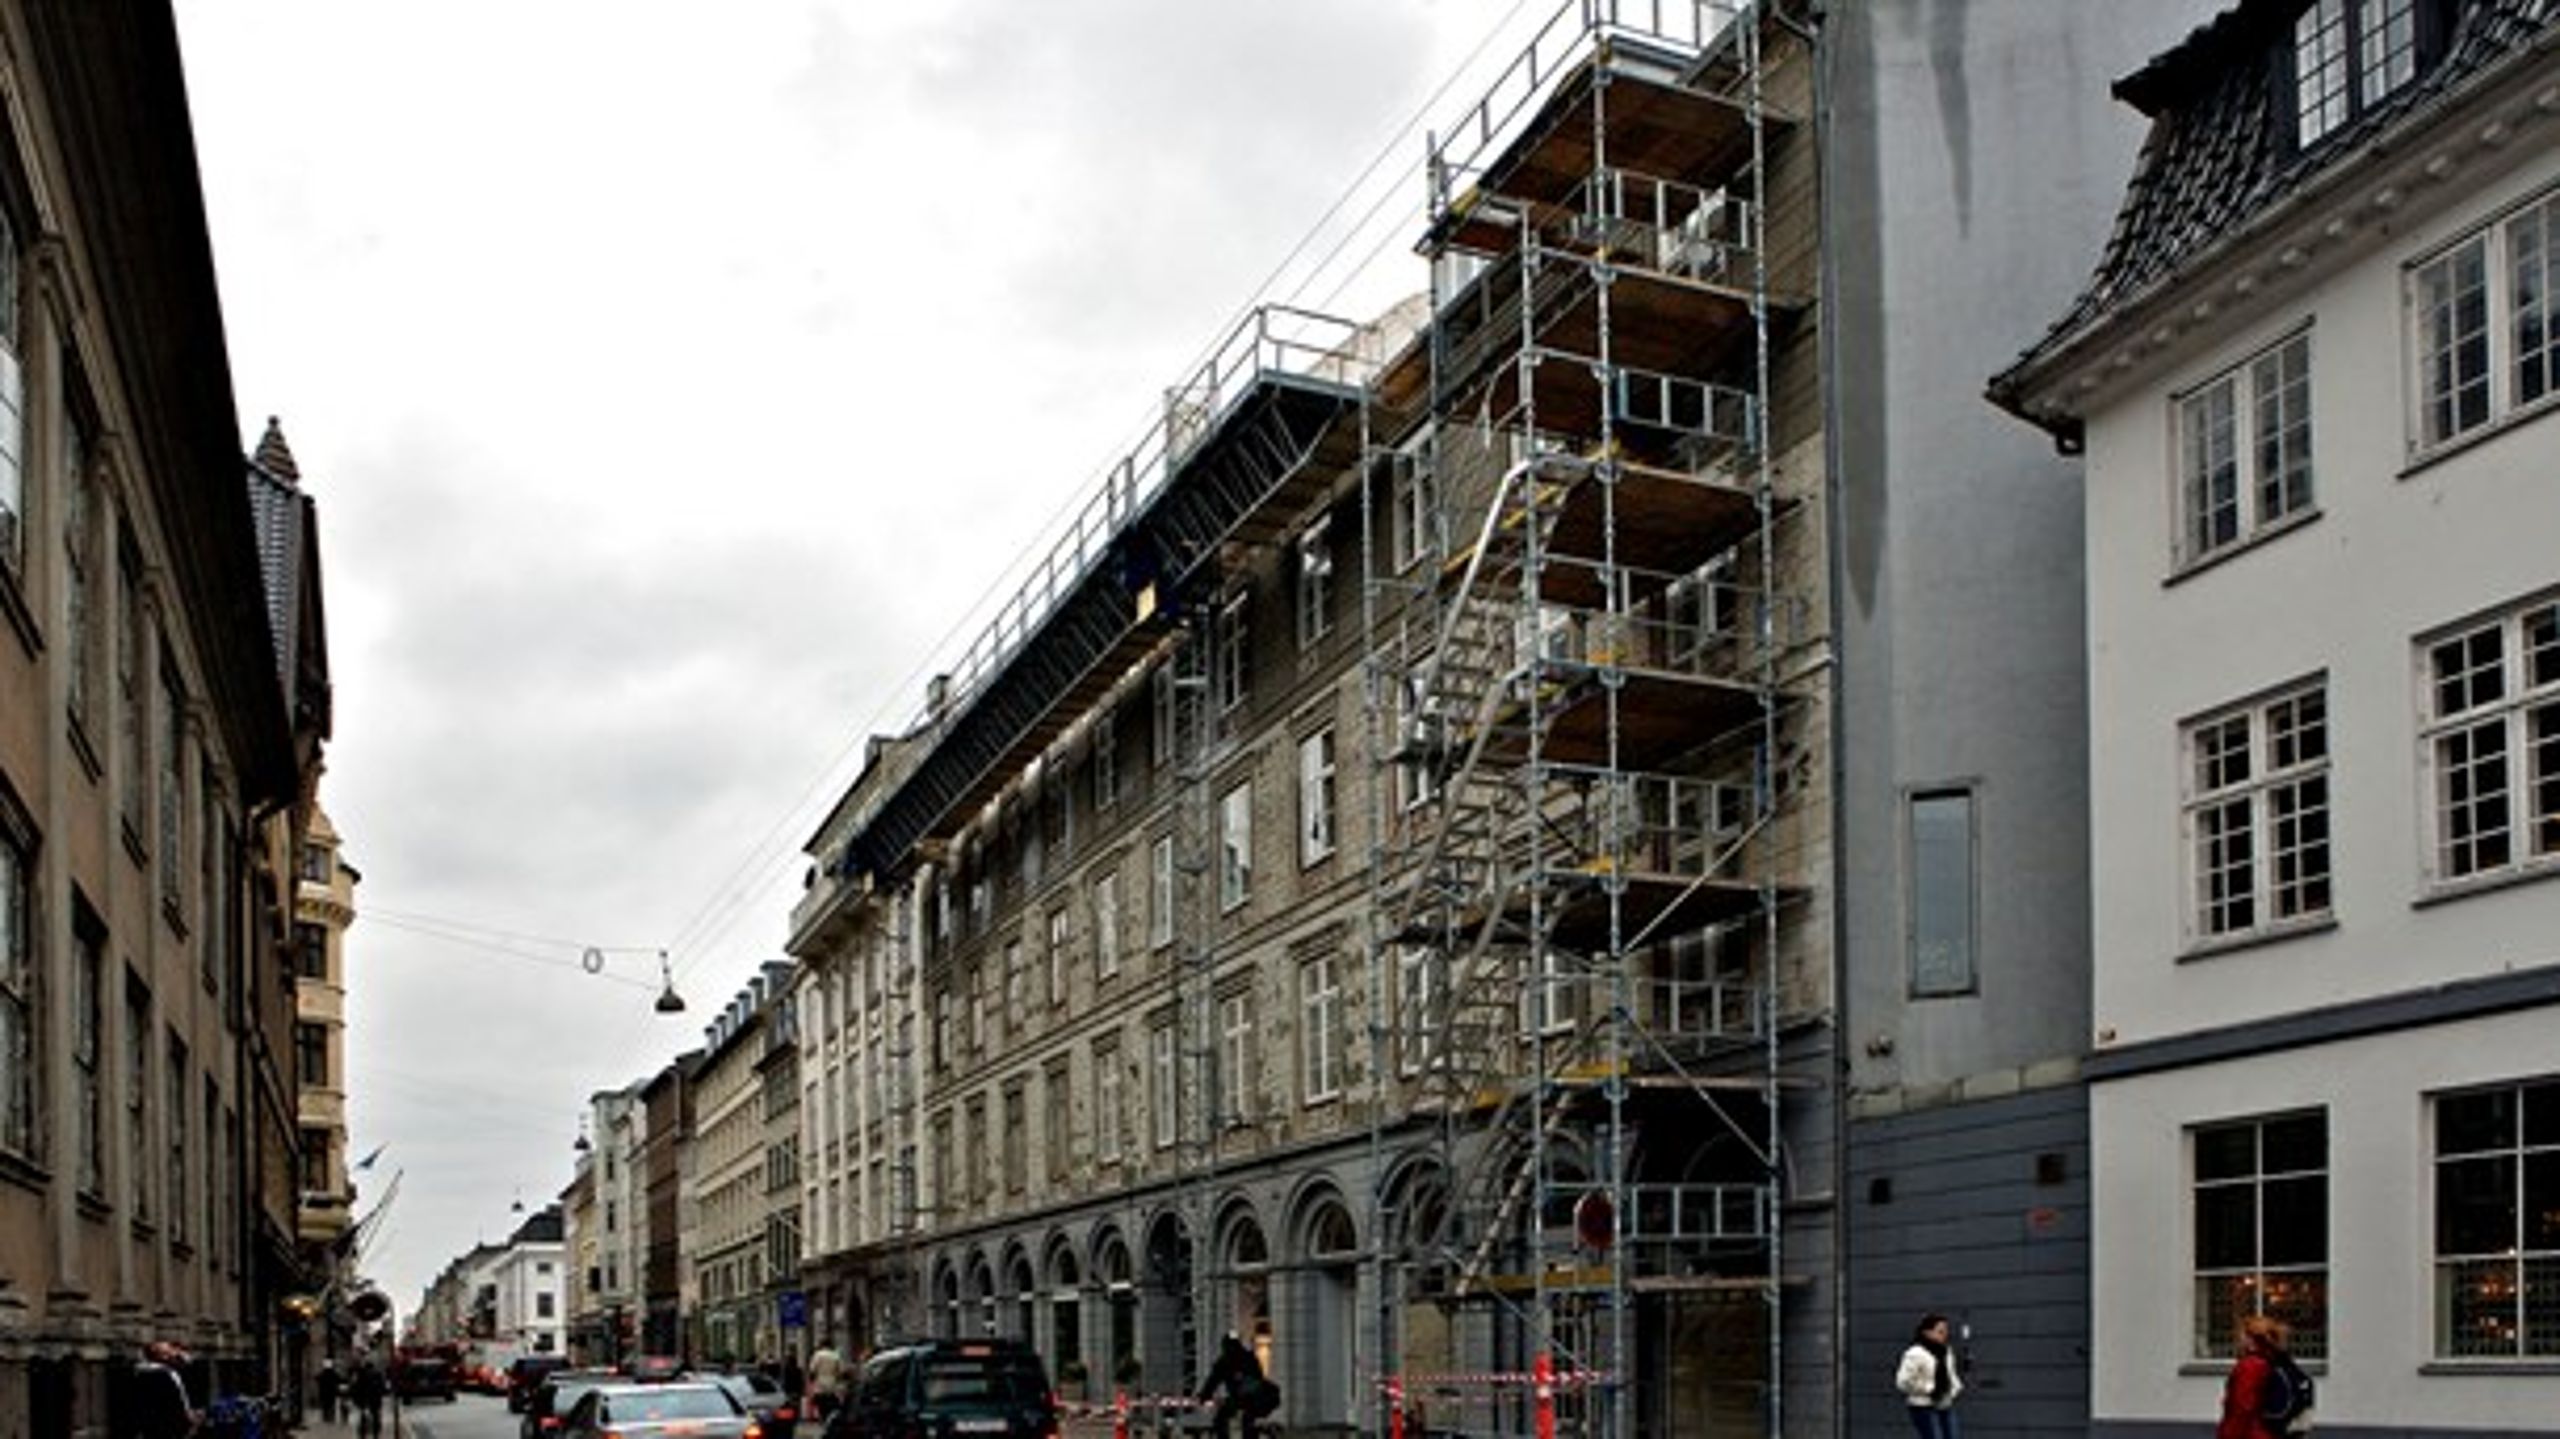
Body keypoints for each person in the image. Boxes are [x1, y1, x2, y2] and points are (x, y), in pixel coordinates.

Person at [2218, 1314, 2298, 1439]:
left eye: (2242, 1336)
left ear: (2251, 1339)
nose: (2238, 1340)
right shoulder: (2270, 1360)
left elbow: (2243, 1408)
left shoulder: (2250, 1365)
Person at [1894, 1312, 1964, 1439]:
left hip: (1945, 1403)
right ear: (1927, 1332)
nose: (1945, 1334)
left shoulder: (1946, 1351)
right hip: (1923, 1407)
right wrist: (1929, 1389)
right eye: (1940, 1331)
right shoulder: (1915, 1353)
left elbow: (1951, 1374)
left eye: (1946, 1330)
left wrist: (1955, 1388)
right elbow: (1902, 1382)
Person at [1196, 1333, 1279, 1439]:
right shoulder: (1249, 1357)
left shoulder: (1225, 1361)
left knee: (1221, 1418)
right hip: (1263, 1397)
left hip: (1246, 1398)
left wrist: (1204, 1396)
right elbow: (1259, 1377)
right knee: (1247, 1419)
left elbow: (1212, 1381)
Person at [123, 1340, 198, 1439]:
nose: (174, 1353)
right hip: (164, 1427)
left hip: (172, 1425)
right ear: (161, 1356)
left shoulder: (169, 1372)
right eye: (168, 1351)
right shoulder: (154, 1374)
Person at [346, 1356, 387, 1439]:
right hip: (375, 1400)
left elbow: (355, 1387)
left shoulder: (361, 1374)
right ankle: (375, 1435)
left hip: (364, 1400)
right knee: (375, 1416)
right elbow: (382, 1387)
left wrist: (353, 1397)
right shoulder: (378, 1374)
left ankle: (363, 1434)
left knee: (363, 1417)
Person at [806, 1342, 843, 1421]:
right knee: (832, 1403)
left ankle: (823, 1417)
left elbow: (812, 1370)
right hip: (832, 1383)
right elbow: (840, 1371)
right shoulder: (835, 1355)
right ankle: (829, 1418)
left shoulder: (818, 1355)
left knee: (821, 1403)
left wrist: (811, 1382)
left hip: (820, 1383)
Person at [315, 1358, 342, 1424]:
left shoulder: (322, 1374)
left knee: (325, 1406)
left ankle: (326, 1417)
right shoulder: (333, 1374)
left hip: (324, 1392)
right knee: (331, 1405)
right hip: (331, 1392)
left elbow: (317, 1378)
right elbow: (340, 1380)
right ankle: (331, 1417)